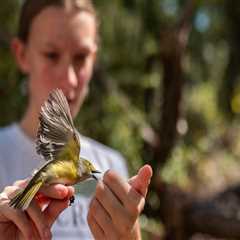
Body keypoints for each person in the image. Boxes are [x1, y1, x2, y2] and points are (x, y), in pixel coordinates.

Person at [0, 0, 152, 239]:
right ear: (21, 54)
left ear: (94, 60)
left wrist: (130, 236)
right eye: (51, 55)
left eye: (81, 57)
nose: (69, 79)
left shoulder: (113, 165)